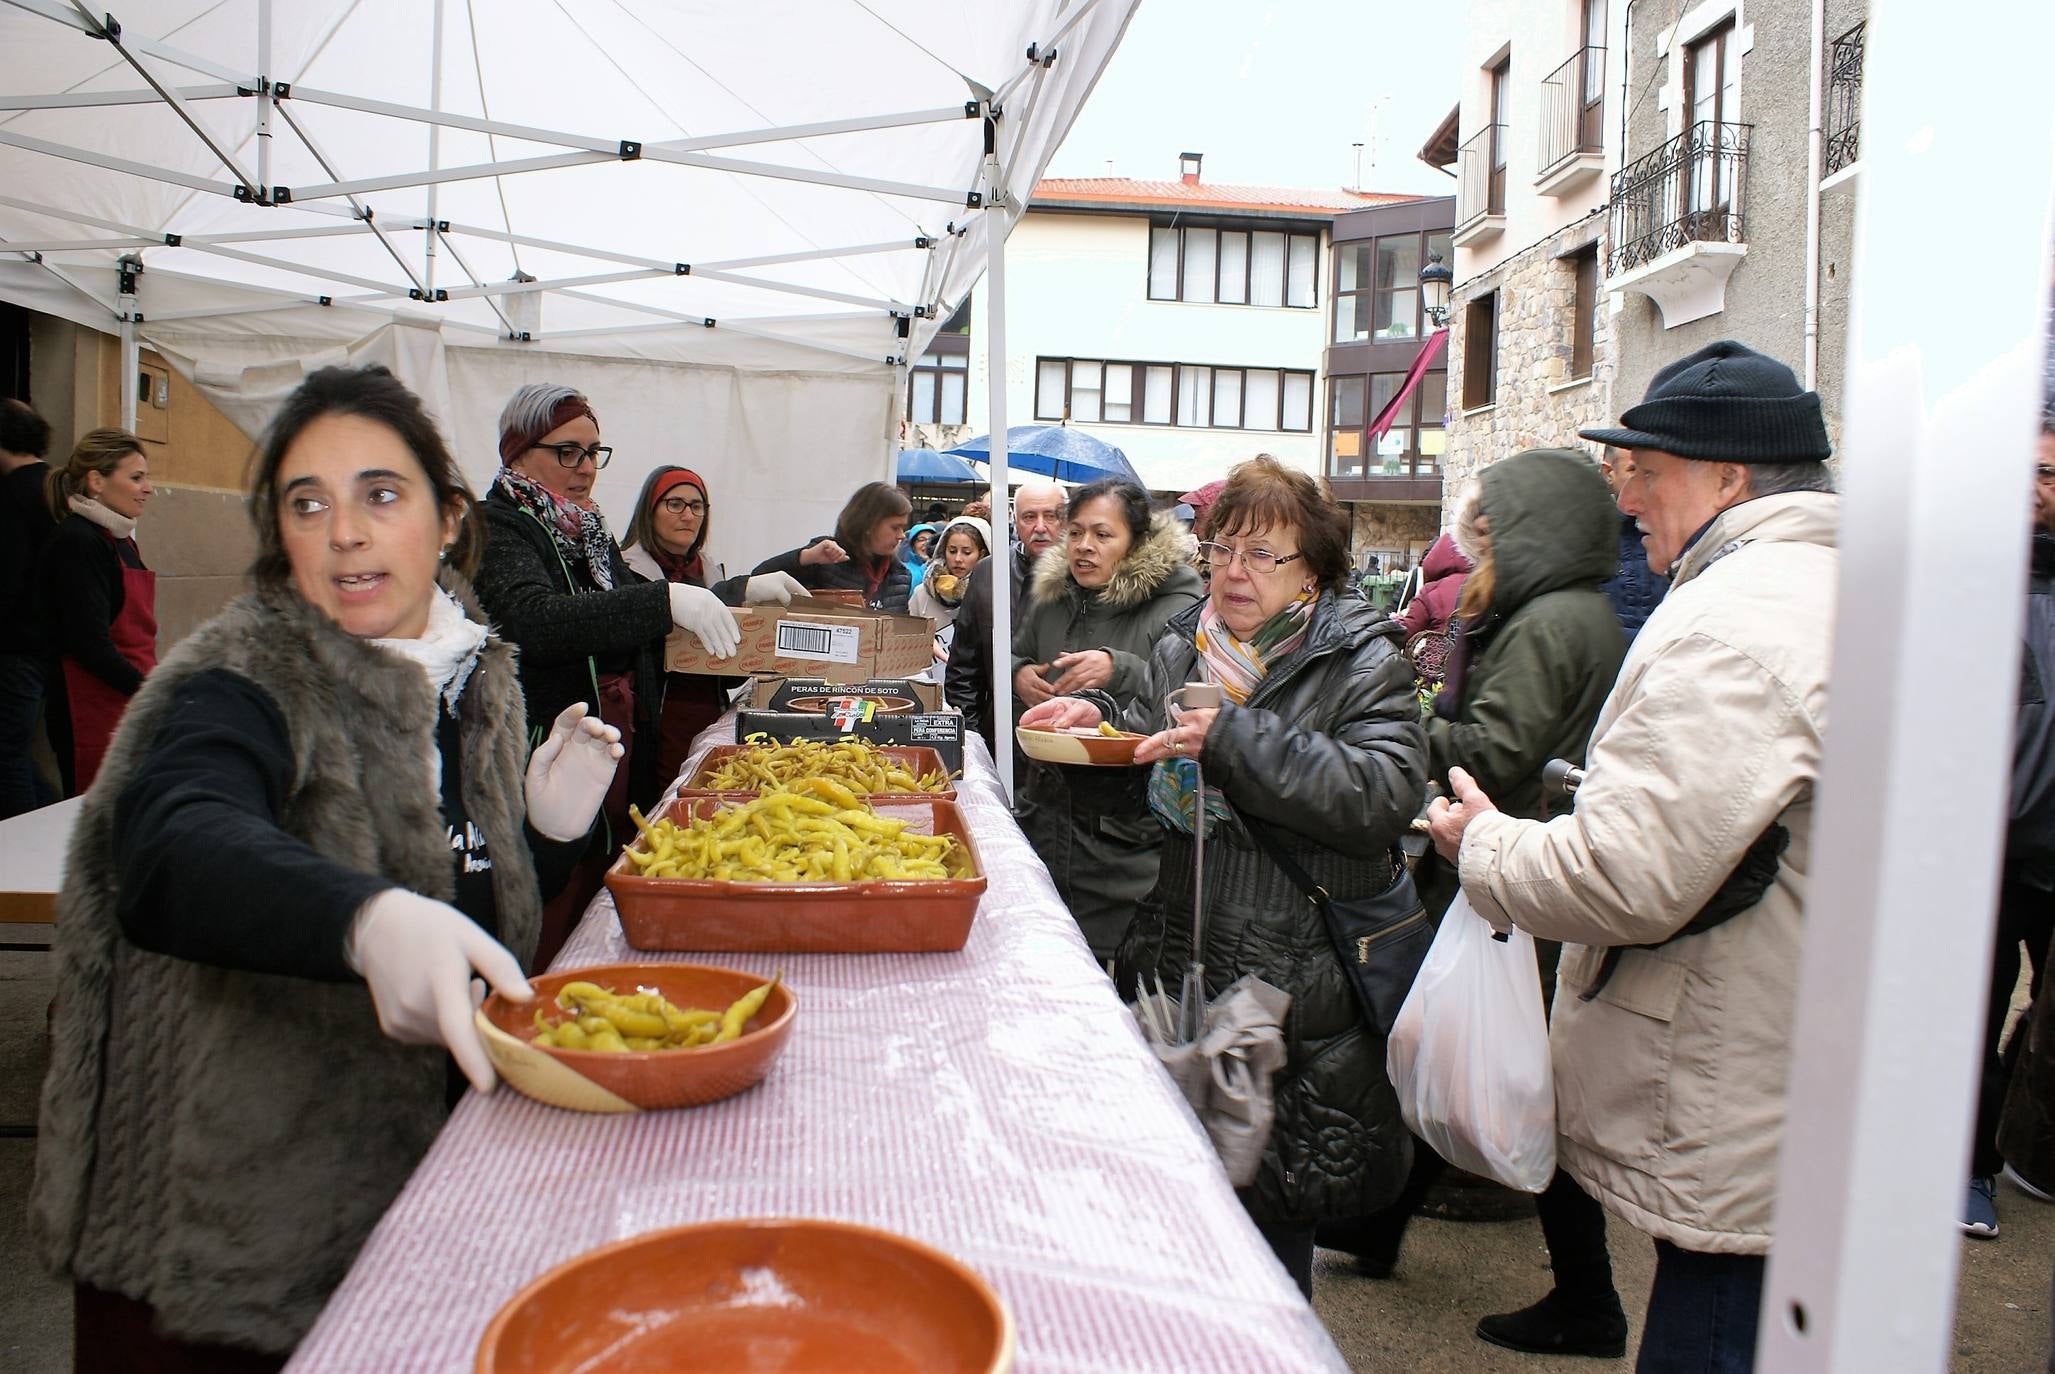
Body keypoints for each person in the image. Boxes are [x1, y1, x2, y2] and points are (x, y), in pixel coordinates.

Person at [29, 364, 617, 1370]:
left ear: (448, 520)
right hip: (234, 1237)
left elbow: (469, 927)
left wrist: (544, 838)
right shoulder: (241, 673)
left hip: (420, 1189)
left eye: (379, 494)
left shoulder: (473, 675)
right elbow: (175, 840)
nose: (344, 530)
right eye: (308, 502)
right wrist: (363, 919)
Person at [1428, 340, 1838, 1373]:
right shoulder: (1826, 590)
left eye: (1646, 472)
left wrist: (1484, 844)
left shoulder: (1735, 625)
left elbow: (1626, 875)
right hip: (1797, 1057)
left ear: (1727, 477)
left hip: (1738, 1077)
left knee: (1714, 1321)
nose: (1629, 500)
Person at [1022, 455, 1427, 1296]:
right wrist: (1096, 739)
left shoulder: (1361, 657)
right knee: (1174, 1221)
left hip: (1289, 988)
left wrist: (1233, 739)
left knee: (1268, 1241)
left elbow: (1381, 795)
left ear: (1311, 568)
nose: (1234, 573)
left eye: (1263, 555)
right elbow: (1147, 796)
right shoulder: (1184, 649)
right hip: (1175, 961)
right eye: (1222, 550)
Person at [1325, 449, 1631, 1357]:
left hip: (1515, 875)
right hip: (1507, 870)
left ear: (1530, 530)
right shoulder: (1551, 614)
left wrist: (1396, 713)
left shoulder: (1548, 623)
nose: (1473, 546)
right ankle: (1381, 1228)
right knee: (1437, 1034)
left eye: (1489, 529)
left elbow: (1492, 754)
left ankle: (1590, 1299)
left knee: (1517, 1073)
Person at [473, 383, 759, 965]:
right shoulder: (496, 527)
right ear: (518, 452)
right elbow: (535, 619)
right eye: (568, 452)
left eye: (594, 452)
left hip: (604, 747)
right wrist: (667, 601)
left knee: (594, 892)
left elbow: (639, 597)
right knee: (546, 898)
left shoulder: (588, 534)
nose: (585, 469)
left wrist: (741, 590)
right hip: (538, 750)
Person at [1011, 478, 1204, 955]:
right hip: (1046, 810)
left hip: (1121, 838)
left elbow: (1188, 696)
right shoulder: (1051, 593)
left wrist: (1119, 668)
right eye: (1075, 532)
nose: (1084, 547)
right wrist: (1019, 675)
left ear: (1136, 541)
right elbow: (1019, 655)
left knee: (1107, 970)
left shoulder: (1178, 604)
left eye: (1102, 534)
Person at [1974, 421, 2055, 1234]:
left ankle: (2024, 1137)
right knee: (1974, 1001)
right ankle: (1969, 1167)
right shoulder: (1975, 579)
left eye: (2048, 475)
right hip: (1987, 841)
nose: (2033, 490)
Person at [620, 465, 799, 789]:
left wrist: (758, 646)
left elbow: (724, 666)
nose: (687, 515)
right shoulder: (626, 571)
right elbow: (651, 649)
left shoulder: (711, 570)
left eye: (697, 506)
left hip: (704, 714)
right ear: (650, 509)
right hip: (650, 726)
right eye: (674, 504)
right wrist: (740, 590)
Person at [37, 428, 156, 796]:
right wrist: (153, 690)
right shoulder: (78, 540)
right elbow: (89, 645)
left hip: (127, 697)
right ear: (96, 481)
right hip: (89, 704)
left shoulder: (122, 540)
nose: (148, 488)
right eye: (136, 478)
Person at [946, 479, 1065, 758]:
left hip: (1068, 741)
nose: (1039, 526)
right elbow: (964, 665)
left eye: (1050, 516)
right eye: (1029, 517)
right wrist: (973, 737)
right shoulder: (989, 572)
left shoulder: (1088, 574)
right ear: (1014, 520)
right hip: (998, 739)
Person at [1, 398, 57, 817]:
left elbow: (9, 576)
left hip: (18, 645)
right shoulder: (53, 486)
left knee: (7, 753)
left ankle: (25, 845)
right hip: (49, 644)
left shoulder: (13, 495)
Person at [753, 481, 914, 613]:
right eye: (895, 527)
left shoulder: (900, 575)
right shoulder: (825, 555)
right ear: (868, 524)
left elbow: (901, 630)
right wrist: (806, 557)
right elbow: (758, 579)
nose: (902, 535)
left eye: (903, 527)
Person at [1598, 447, 1667, 642]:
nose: (1642, 483)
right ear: (1608, 473)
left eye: (1649, 473)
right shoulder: (1592, 533)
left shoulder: (1672, 528)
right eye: (1632, 470)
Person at [1395, 531, 1471, 685]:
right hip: (1473, 671)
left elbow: (1406, 632)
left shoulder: (1431, 591)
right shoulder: (1485, 587)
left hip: (1436, 672)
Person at [907, 514, 991, 648]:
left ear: (981, 554)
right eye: (952, 551)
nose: (958, 558)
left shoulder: (995, 595)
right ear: (943, 551)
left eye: (967, 552)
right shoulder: (921, 594)